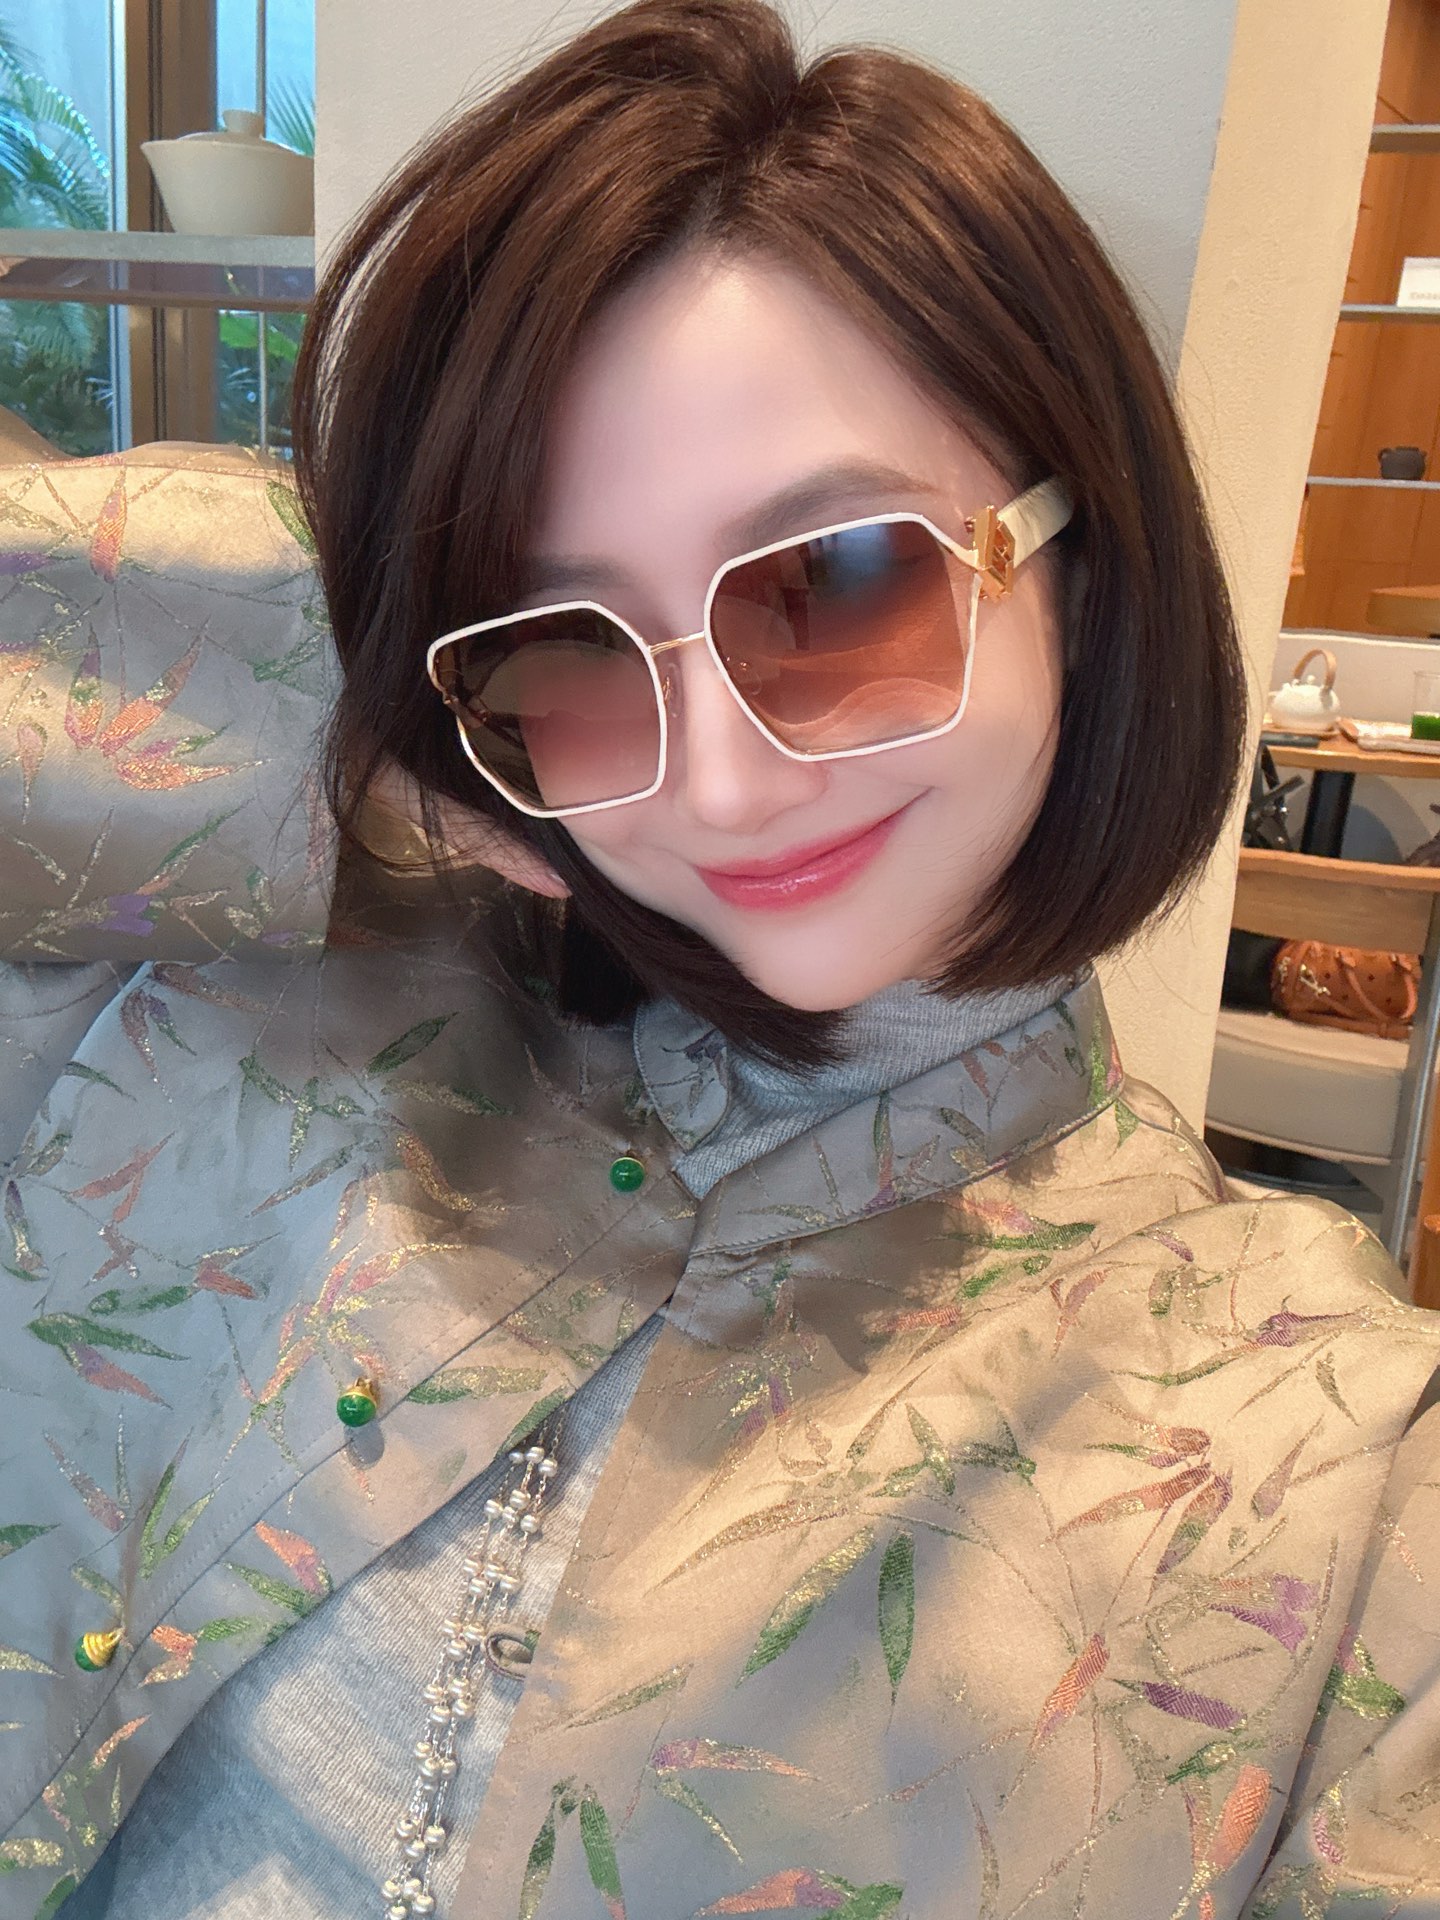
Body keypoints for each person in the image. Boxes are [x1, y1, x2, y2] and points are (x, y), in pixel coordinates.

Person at [2, 3, 1437, 1916]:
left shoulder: (1322, 1472)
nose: (727, 782)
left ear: (1081, 560)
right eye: (574, 646)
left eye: (840, 583)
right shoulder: (254, 995)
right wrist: (397, 714)